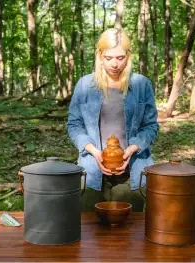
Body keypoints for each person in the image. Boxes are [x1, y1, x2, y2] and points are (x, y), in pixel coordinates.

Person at [67, 28, 158, 212]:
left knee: (128, 234)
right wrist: (93, 151)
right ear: (100, 56)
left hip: (133, 174)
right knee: (89, 231)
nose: (115, 64)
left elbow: (151, 127)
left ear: (128, 56)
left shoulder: (142, 84)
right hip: (92, 173)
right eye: (109, 58)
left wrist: (133, 148)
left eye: (120, 58)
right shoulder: (85, 85)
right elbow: (74, 124)